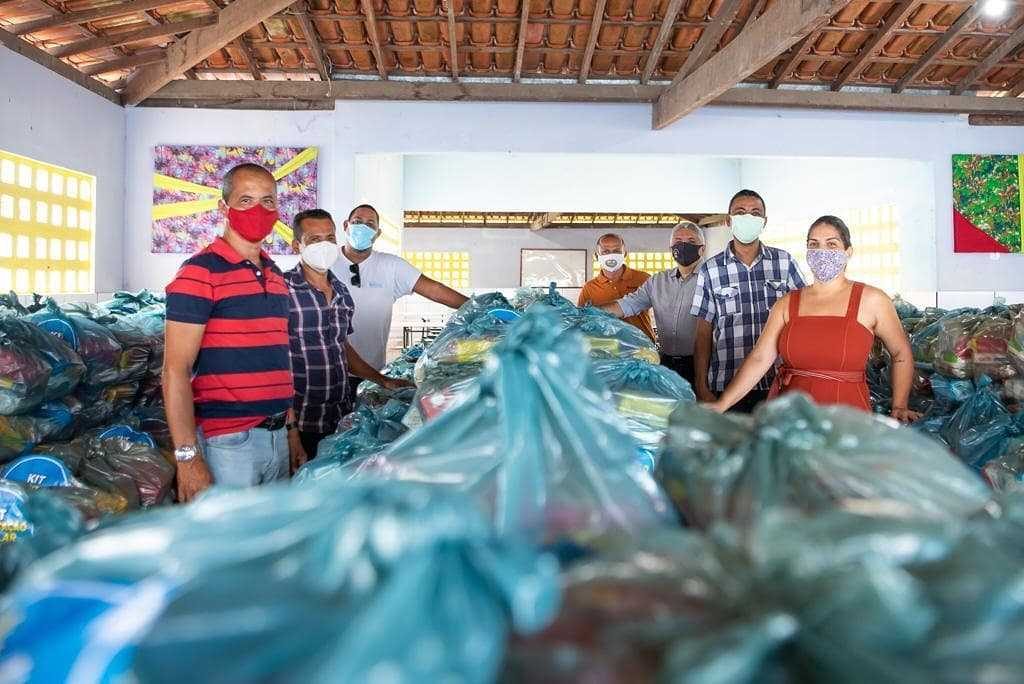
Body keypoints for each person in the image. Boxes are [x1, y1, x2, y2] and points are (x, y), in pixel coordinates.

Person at [164, 163, 294, 501]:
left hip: (277, 435)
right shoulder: (198, 273)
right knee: (229, 550)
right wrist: (187, 458)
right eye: (246, 200)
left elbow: (280, 362)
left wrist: (290, 432)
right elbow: (174, 370)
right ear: (224, 208)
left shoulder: (277, 276)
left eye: (268, 201)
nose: (259, 210)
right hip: (229, 444)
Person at [708, 216, 919, 422]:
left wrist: (899, 405)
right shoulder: (786, 303)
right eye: (814, 244)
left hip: (847, 420)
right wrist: (721, 405)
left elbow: (901, 353)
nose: (822, 252)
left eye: (832, 244)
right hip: (792, 420)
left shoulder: (872, 300)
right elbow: (759, 359)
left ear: (848, 252)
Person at [285, 209, 413, 465]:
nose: (324, 246)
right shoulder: (282, 290)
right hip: (300, 421)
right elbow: (273, 364)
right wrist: (290, 432)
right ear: (296, 245)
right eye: (314, 239)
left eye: (330, 239)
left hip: (338, 415)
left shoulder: (342, 293)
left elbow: (341, 347)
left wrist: (381, 380)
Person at [331, 204, 469, 403]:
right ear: (346, 225)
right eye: (357, 222)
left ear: (377, 233)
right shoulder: (328, 263)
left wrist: (477, 307)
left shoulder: (391, 266)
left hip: (372, 375)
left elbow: (435, 290)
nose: (363, 227)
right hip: (328, 371)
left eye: (370, 224)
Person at [691, 189, 806, 413]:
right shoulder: (710, 270)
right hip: (727, 384)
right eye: (740, 212)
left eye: (755, 213)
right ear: (728, 220)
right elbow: (703, 332)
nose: (748, 218)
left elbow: (806, 317)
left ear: (764, 222)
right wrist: (702, 386)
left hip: (779, 383)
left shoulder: (784, 263)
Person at [599, 221, 706, 386]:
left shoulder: (713, 279)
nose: (683, 245)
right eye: (678, 241)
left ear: (702, 248)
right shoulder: (657, 281)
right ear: (671, 249)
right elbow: (626, 305)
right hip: (666, 363)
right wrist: (584, 312)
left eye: (691, 242)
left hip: (704, 365)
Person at [579, 233, 655, 341]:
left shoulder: (643, 279)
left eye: (616, 251)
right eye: (606, 251)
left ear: (624, 254)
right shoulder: (589, 288)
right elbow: (582, 321)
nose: (611, 255)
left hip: (643, 349)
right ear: (596, 256)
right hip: (607, 351)